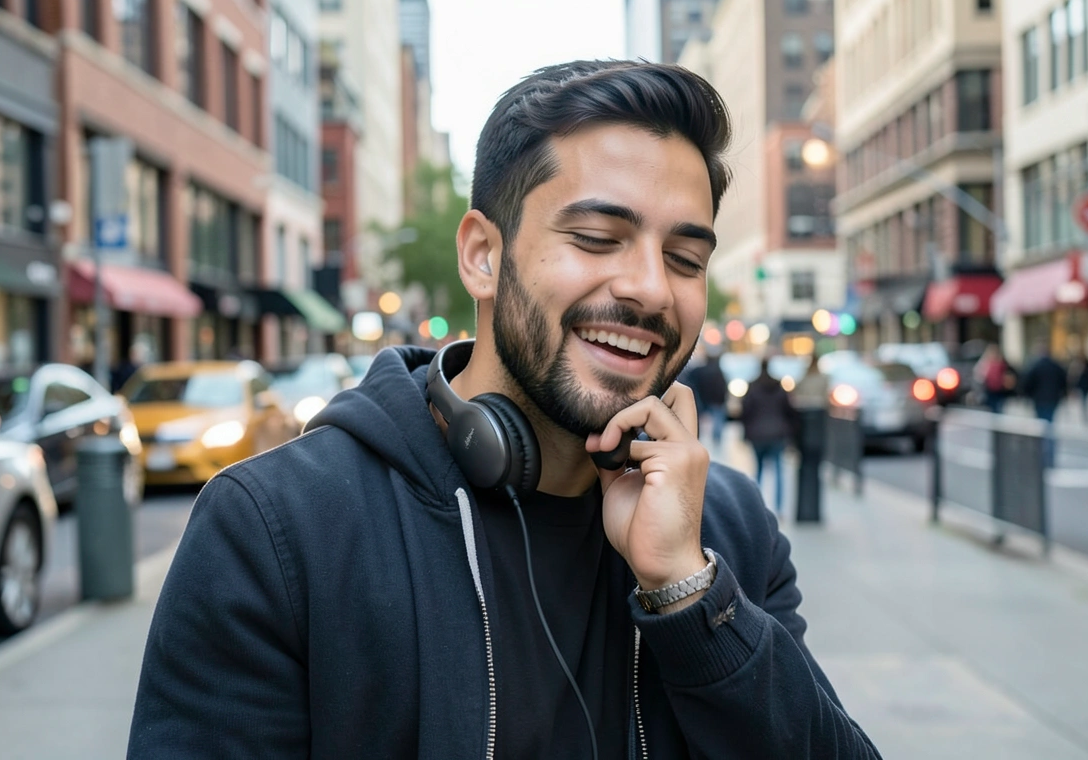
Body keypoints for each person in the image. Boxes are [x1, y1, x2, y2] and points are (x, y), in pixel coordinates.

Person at [128, 61, 879, 758]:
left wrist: (688, 593)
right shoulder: (276, 531)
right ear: (483, 256)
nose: (652, 288)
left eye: (685, 259)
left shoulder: (729, 529)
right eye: (596, 238)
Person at [740, 357, 798, 517]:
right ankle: (779, 508)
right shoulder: (780, 387)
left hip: (757, 434)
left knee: (758, 471)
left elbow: (745, 412)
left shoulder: (752, 386)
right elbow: (790, 411)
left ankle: (758, 506)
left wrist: (745, 434)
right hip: (778, 434)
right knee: (779, 470)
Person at [693, 352, 728, 449]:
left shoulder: (701, 371)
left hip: (705, 399)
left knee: (702, 421)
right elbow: (723, 387)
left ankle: (701, 439)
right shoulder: (719, 371)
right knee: (718, 421)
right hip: (717, 400)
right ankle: (717, 440)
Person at [973, 343, 1011, 413]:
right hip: (993, 388)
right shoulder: (993, 362)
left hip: (996, 389)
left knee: (995, 406)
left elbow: (979, 375)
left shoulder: (988, 362)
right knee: (996, 406)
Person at [1068, 347, 1088, 424]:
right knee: (1077, 402)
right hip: (1079, 386)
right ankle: (1075, 417)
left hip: (1085, 386)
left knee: (1084, 402)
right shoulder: (1077, 363)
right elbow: (1073, 376)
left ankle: (1085, 417)